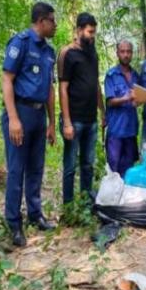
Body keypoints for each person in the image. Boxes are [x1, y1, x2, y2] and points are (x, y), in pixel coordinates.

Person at [1, 2, 58, 247]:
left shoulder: (49, 52)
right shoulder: (21, 43)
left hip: (38, 115)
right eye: (52, 21)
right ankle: (14, 223)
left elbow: (50, 89)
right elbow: (7, 79)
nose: (55, 25)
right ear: (41, 21)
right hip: (20, 112)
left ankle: (35, 214)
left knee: (36, 168)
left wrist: (52, 122)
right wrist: (13, 118)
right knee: (16, 170)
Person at [58, 12, 104, 202]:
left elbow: (95, 84)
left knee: (88, 164)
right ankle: (69, 206)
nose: (92, 36)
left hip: (91, 119)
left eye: (94, 32)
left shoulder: (93, 53)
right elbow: (62, 88)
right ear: (79, 30)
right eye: (89, 32)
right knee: (70, 165)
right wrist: (67, 122)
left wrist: (103, 112)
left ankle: (86, 203)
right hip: (74, 120)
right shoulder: (67, 53)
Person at [104, 40, 140, 176]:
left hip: (131, 130)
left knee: (129, 171)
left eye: (128, 52)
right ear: (117, 53)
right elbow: (110, 102)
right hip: (116, 131)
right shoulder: (111, 75)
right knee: (114, 171)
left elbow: (139, 99)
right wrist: (126, 98)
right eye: (123, 51)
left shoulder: (136, 75)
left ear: (132, 53)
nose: (126, 55)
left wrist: (140, 100)